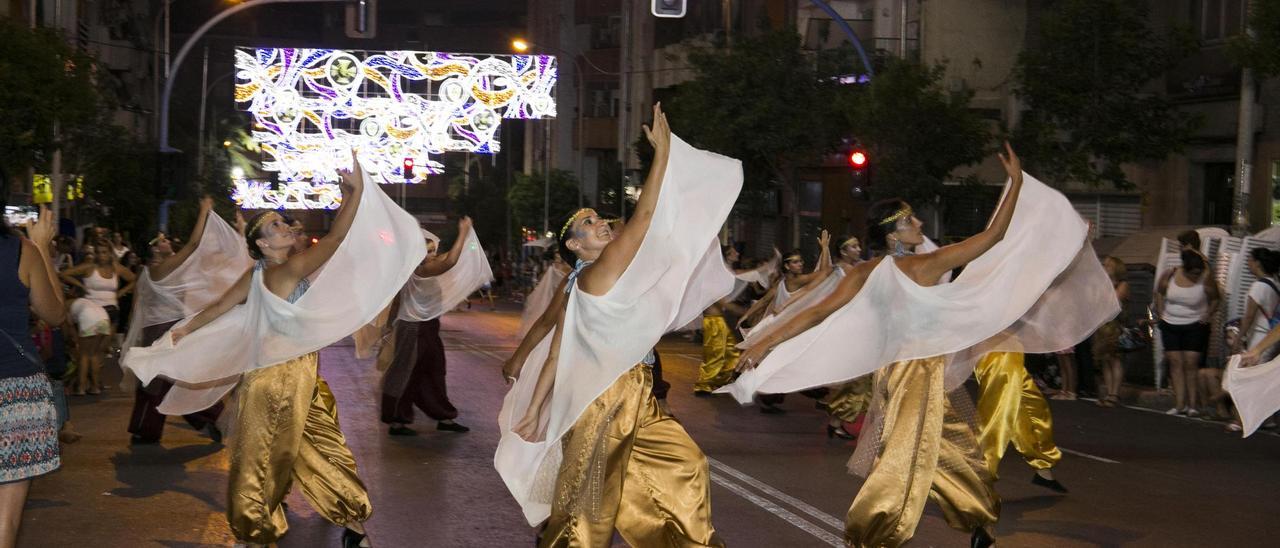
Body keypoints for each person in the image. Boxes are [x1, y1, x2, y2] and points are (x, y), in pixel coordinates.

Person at [730, 143, 1117, 547]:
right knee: (903, 455)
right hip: (914, 372)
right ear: (894, 230)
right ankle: (872, 533)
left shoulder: (868, 271)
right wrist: (1016, 182)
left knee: (947, 449)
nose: (918, 223)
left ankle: (977, 518)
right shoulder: (918, 265)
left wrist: (765, 342)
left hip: (902, 373)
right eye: (910, 219)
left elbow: (815, 313)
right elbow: (994, 235)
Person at [124, 153, 425, 548]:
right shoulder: (286, 269)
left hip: (298, 376)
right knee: (264, 456)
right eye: (276, 226)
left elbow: (217, 309)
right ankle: (261, 531)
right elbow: (335, 238)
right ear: (264, 244)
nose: (285, 227)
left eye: (282, 222)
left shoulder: (260, 273)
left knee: (317, 448)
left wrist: (182, 332)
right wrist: (352, 192)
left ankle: (350, 522)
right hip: (274, 377)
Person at [496, 104, 733, 547]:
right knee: (588, 511)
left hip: (639, 392)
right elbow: (642, 222)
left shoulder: (592, 281)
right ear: (573, 245)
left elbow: (556, 351)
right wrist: (662, 155)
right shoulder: (594, 275)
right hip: (601, 398)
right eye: (589, 223)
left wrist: (535, 407)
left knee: (687, 465)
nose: (601, 221)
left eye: (598, 217)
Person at [124, 196, 251, 444]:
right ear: (153, 250)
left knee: (159, 380)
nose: (166, 241)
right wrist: (204, 211)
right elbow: (193, 245)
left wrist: (239, 235)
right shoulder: (163, 268)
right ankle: (208, 419)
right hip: (165, 330)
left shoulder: (149, 272)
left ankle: (157, 427)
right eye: (161, 241)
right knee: (168, 379)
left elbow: (136, 306)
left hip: (156, 330)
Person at [381, 218, 490, 436]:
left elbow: (449, 259)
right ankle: (397, 420)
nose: (431, 254)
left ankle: (443, 416)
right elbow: (449, 262)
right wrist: (463, 232)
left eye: (433, 250)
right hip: (412, 327)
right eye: (427, 250)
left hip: (427, 325)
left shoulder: (425, 265)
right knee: (406, 371)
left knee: (435, 370)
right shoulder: (420, 269)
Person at [0, 206, 64, 547]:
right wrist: (41, 249)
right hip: (16, 393)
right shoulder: (21, 252)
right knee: (5, 521)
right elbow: (54, 314)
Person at [973, 352, 1067, 492]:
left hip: (1012, 354)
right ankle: (977, 476)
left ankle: (1042, 468)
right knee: (997, 417)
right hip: (997, 356)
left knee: (1033, 408)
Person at [60, 244, 135, 395]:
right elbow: (63, 274)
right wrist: (79, 283)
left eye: (105, 252)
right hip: (92, 310)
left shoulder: (116, 268)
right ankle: (91, 383)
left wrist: (121, 292)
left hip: (111, 311)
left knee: (99, 351)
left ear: (110, 253)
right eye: (98, 252)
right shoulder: (89, 267)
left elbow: (134, 279)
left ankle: (91, 383)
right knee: (89, 352)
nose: (101, 255)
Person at [1154, 249, 1220, 416]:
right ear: (1184, 268)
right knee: (1175, 362)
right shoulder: (1170, 274)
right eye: (1192, 273)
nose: (1195, 277)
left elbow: (1215, 298)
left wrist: (1208, 313)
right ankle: (1179, 404)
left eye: (1198, 273)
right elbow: (1160, 292)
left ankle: (1192, 405)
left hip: (1195, 324)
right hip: (1170, 323)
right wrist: (1161, 312)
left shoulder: (1206, 278)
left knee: (1191, 363)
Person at [1093, 256, 1131, 407]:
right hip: (1102, 324)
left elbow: (1113, 301)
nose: (1105, 266)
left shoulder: (1122, 284)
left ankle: (1115, 393)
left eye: (1108, 265)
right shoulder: (1103, 284)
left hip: (1115, 325)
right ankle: (1108, 392)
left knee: (1115, 358)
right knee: (1105, 359)